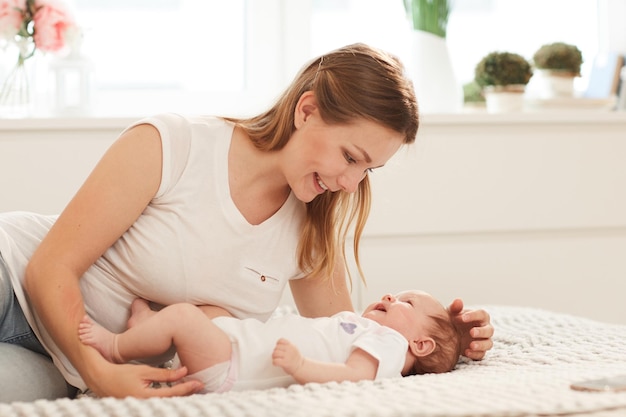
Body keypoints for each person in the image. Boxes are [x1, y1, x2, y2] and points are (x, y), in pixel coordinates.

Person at [0, 42, 493, 402]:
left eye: (368, 171)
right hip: (15, 280)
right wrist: (100, 373)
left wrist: (451, 342)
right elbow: (50, 267)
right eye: (350, 156)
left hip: (62, 362)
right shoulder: (173, 145)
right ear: (307, 110)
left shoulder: (311, 232)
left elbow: (351, 348)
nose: (350, 182)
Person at [78, 290, 461, 392]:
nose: (391, 297)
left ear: (421, 346)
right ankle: (150, 325)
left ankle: (115, 346)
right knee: (209, 311)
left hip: (232, 365)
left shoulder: (389, 344)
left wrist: (302, 367)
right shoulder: (368, 329)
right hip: (239, 344)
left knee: (184, 318)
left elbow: (353, 375)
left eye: (406, 302)